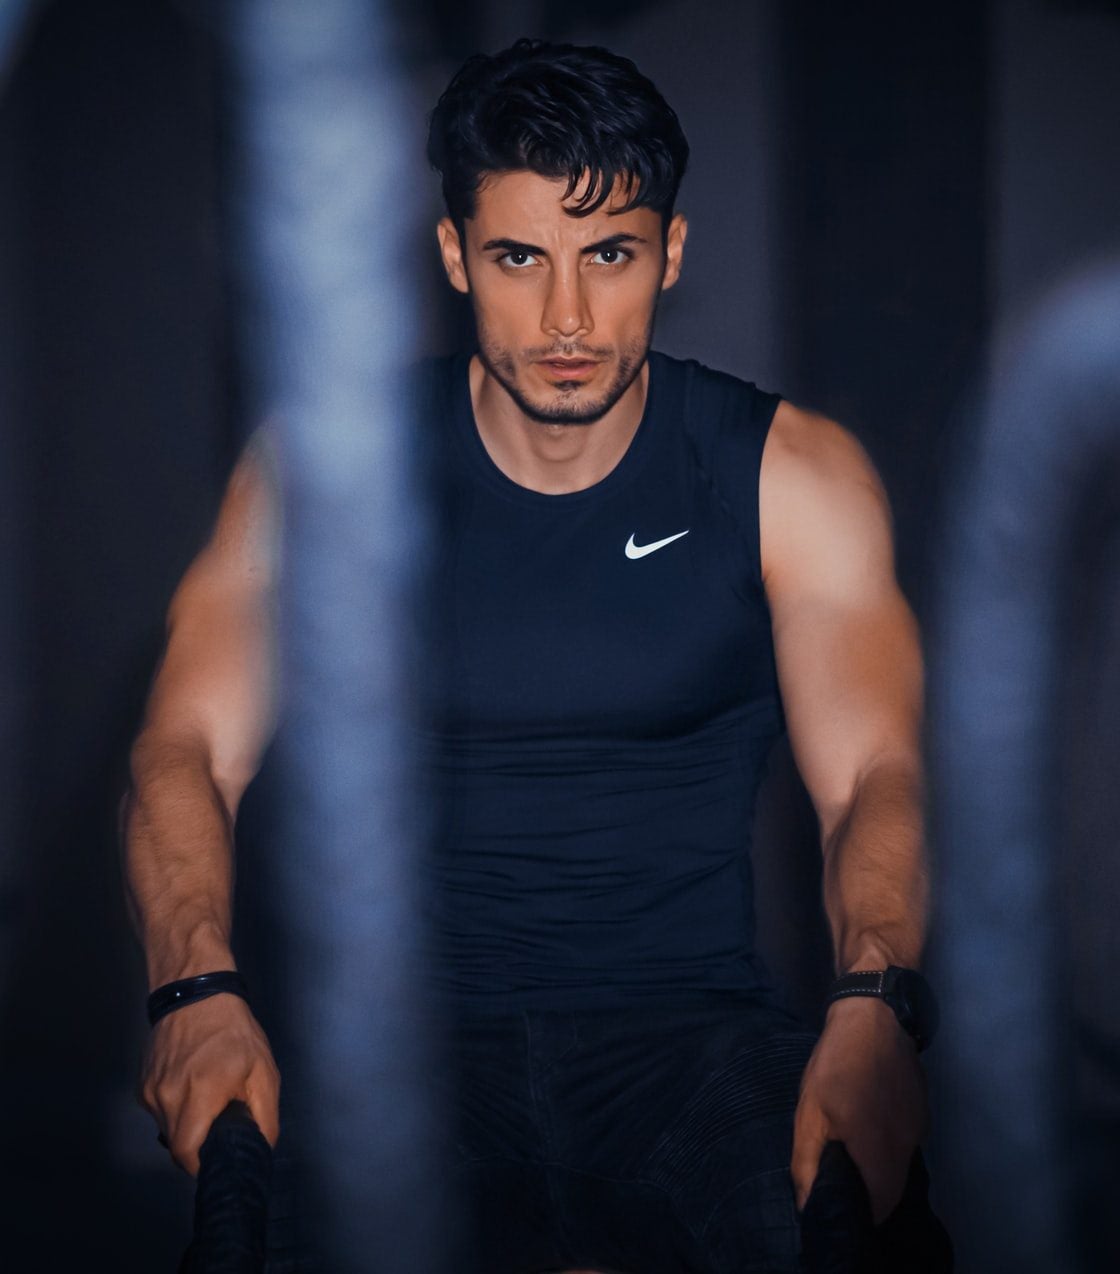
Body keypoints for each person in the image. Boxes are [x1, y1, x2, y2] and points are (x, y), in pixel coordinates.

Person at [124, 38, 947, 1273]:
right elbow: (185, 746)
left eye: (608, 254)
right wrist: (194, 988)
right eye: (519, 257)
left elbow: (875, 777)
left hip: (693, 1048)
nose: (567, 317)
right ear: (456, 255)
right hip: (404, 1054)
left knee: (862, 1227)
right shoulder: (331, 471)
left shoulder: (790, 475)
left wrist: (875, 1000)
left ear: (671, 252)